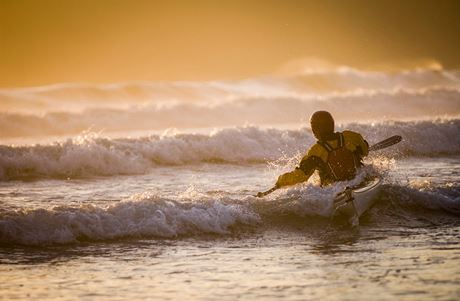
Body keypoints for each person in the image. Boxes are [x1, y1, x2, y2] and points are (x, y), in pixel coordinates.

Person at [275, 111, 369, 188]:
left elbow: (300, 176)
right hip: (358, 181)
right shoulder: (352, 137)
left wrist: (281, 180)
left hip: (335, 190)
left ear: (315, 130)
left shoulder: (315, 152)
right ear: (332, 124)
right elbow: (365, 151)